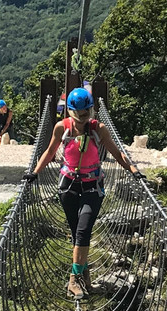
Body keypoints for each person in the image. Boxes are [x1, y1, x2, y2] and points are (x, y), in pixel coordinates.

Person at [24, 87, 142, 299]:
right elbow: (50, 151)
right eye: (78, 115)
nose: (81, 119)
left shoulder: (100, 129)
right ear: (71, 112)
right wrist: (34, 173)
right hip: (68, 185)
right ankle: (85, 279)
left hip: (92, 186)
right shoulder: (62, 128)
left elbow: (117, 153)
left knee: (83, 231)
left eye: (84, 114)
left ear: (90, 111)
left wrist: (134, 171)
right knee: (77, 233)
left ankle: (73, 279)